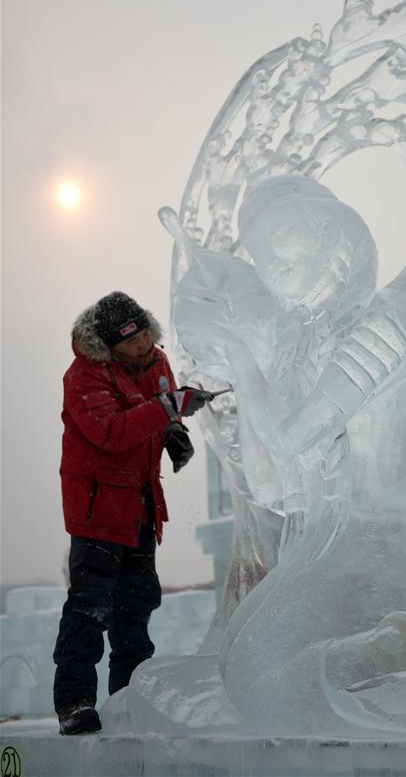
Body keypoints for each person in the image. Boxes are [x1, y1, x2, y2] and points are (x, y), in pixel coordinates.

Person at [53, 291, 214, 735]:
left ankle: (128, 698)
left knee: (136, 609)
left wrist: (174, 433)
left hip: (142, 507)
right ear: (110, 345)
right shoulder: (84, 376)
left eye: (145, 333)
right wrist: (168, 409)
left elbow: (162, 410)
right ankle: (75, 702)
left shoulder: (156, 362)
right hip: (98, 513)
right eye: (133, 341)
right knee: (90, 608)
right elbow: (110, 432)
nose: (144, 345)